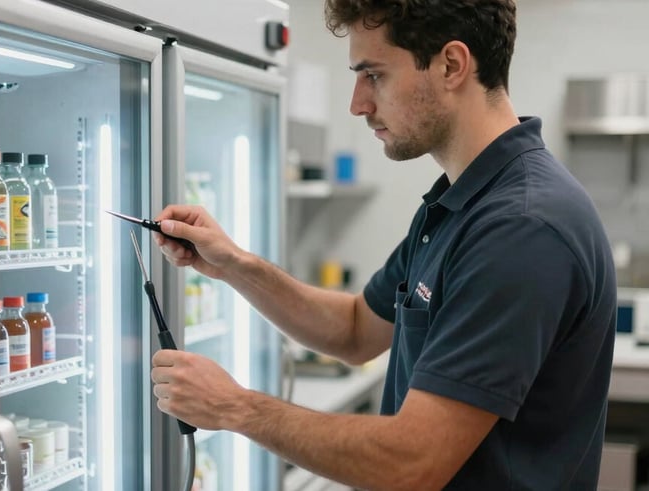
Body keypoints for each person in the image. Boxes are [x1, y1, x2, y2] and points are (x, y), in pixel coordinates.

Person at [151, 0, 617, 489]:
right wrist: (233, 264)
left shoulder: (521, 229)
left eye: (373, 75)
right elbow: (355, 330)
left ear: (451, 65)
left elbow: (412, 463)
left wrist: (235, 407)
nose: (358, 103)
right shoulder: (458, 205)